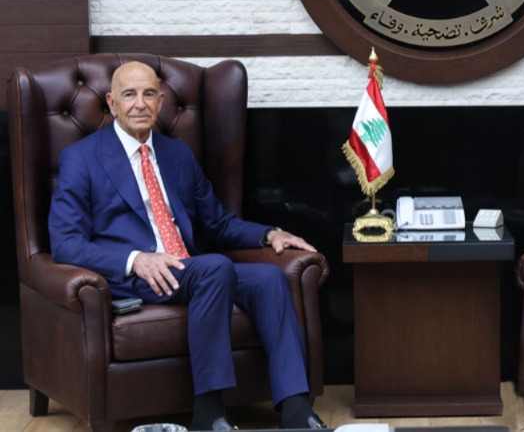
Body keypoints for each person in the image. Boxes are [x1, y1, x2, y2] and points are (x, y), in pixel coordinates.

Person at [49, 61, 327, 432]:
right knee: (215, 268)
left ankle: (296, 411)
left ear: (161, 101)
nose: (140, 103)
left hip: (190, 271)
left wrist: (269, 234)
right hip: (135, 276)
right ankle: (209, 413)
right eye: (129, 95)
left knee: (269, 279)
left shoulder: (177, 154)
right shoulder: (82, 158)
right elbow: (66, 244)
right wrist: (135, 259)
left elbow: (217, 223)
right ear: (112, 103)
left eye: (149, 94)